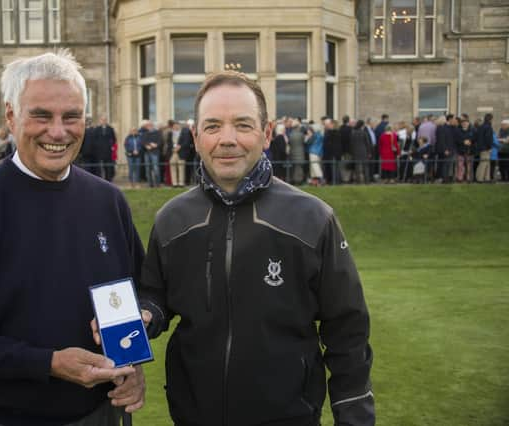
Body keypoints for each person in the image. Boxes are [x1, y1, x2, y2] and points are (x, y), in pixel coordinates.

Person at [0, 50, 146, 426]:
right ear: (10, 115)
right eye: (41, 115)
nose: (58, 131)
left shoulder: (108, 201)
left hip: (101, 414)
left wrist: (132, 363)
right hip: (0, 418)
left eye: (71, 116)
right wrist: (49, 364)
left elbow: (140, 295)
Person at [136, 71, 374, 426]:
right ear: (196, 136)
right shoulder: (172, 219)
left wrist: (354, 416)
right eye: (213, 126)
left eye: (243, 125)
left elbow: (347, 330)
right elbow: (155, 294)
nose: (227, 139)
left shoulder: (313, 218)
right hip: (193, 416)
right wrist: (147, 313)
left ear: (266, 133)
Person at [141, 120, 162, 187]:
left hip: (155, 152)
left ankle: (157, 184)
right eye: (147, 125)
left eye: (150, 125)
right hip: (147, 152)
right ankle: (150, 184)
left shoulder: (157, 133)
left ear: (152, 126)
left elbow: (160, 142)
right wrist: (146, 145)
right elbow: (143, 142)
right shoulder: (145, 133)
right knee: (148, 169)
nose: (149, 127)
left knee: (156, 168)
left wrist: (156, 145)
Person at [475, 113, 494, 183]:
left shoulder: (481, 126)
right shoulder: (488, 127)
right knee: (484, 163)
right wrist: (489, 147)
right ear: (491, 119)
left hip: (481, 147)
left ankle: (486, 178)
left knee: (486, 163)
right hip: (485, 148)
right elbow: (488, 138)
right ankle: (480, 178)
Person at [287, 118, 305, 185]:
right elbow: (304, 142)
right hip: (300, 153)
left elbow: (289, 143)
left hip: (292, 153)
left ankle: (294, 180)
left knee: (294, 168)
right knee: (299, 168)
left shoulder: (290, 134)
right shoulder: (301, 135)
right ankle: (298, 181)